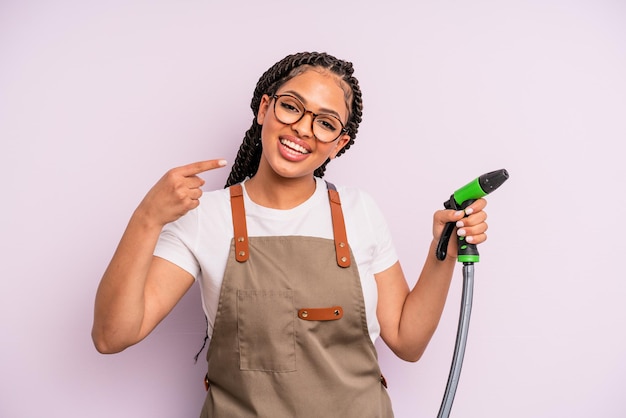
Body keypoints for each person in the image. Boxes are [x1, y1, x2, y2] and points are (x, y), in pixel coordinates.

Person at [92, 51, 489, 417]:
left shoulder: (359, 211)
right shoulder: (204, 218)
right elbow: (112, 336)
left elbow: (408, 340)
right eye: (291, 107)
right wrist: (147, 218)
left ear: (339, 144)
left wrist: (446, 252)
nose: (302, 128)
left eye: (326, 123)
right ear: (265, 108)